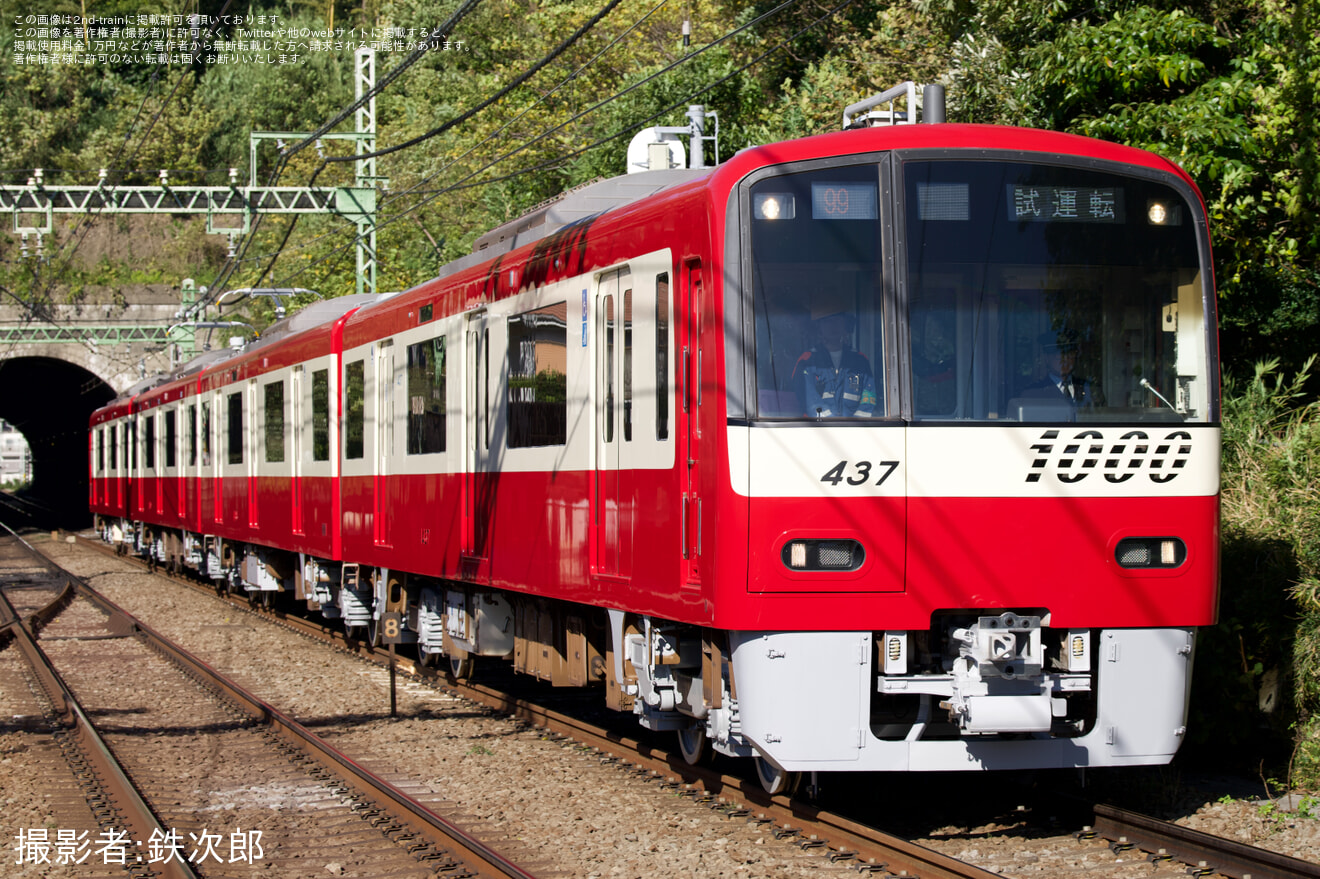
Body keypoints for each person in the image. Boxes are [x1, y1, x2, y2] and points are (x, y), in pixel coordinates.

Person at [792, 300, 877, 418]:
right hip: (818, 431)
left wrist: (856, 426)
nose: (833, 326)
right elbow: (808, 400)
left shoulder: (860, 361)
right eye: (827, 321)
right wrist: (833, 425)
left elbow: (868, 399)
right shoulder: (807, 361)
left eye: (838, 320)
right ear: (818, 327)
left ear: (846, 325)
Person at [1020, 329, 1100, 410]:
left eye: (1070, 353)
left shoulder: (1089, 389)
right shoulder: (1033, 394)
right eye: (1060, 354)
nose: (1065, 358)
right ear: (1047, 357)